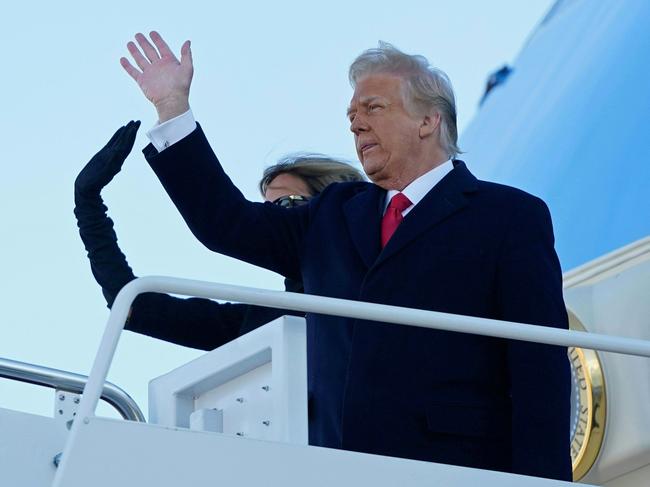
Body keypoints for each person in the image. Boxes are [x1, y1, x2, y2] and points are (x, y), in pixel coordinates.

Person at [119, 32, 571, 480]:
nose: (356, 124)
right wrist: (173, 110)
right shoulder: (332, 213)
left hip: (455, 469)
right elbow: (226, 224)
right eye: (351, 115)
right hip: (337, 469)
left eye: (373, 108)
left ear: (428, 119)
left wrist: (543, 482)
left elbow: (540, 370)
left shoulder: (509, 216)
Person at [74, 120, 364, 350]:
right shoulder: (262, 322)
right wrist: (88, 204)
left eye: (288, 204)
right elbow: (130, 303)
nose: (275, 217)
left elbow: (225, 220)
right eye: (267, 209)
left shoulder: (379, 280)